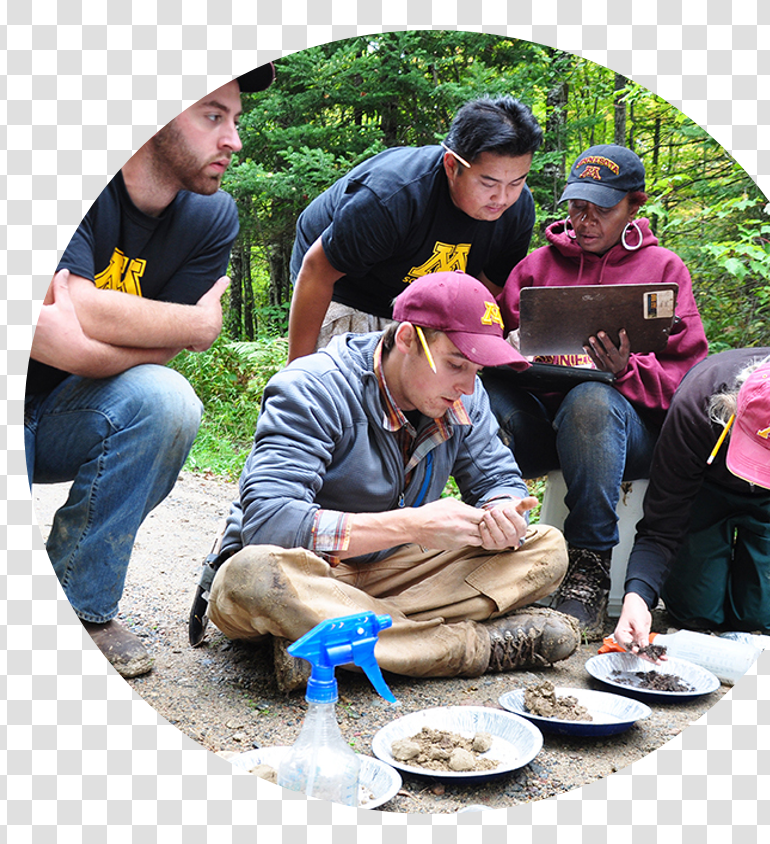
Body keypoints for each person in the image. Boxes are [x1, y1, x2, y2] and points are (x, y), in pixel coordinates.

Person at [188, 272, 579, 690]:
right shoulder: (312, 387)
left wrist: (503, 511)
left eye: (477, 369)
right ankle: (472, 648)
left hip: (389, 572)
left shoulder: (465, 395)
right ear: (408, 338)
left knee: (546, 549)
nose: (467, 386)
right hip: (306, 568)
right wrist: (413, 525)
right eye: (456, 364)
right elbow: (270, 524)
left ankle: (327, 637)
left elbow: (499, 478)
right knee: (251, 577)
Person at [25, 63, 277, 678]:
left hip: (65, 413)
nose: (234, 140)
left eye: (235, 119)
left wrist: (78, 345)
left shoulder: (211, 217)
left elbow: (133, 340)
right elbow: (99, 309)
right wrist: (188, 325)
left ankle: (80, 607)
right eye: (212, 116)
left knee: (167, 399)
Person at [483, 144, 708, 634]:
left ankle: (589, 564)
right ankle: (496, 535)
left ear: (634, 205)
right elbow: (489, 345)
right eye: (576, 207)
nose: (584, 221)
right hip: (546, 422)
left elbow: (687, 382)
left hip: (630, 435)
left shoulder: (664, 271)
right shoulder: (536, 268)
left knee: (591, 399)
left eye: (600, 210)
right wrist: (509, 349)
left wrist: (626, 371)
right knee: (479, 396)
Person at [285, 95, 543, 363]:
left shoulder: (518, 209)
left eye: (516, 182)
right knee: (342, 387)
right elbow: (316, 272)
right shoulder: (390, 198)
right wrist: (295, 371)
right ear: (451, 165)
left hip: (420, 296)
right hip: (343, 282)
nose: (502, 198)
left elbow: (483, 290)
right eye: (488, 184)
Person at [613, 349, 770, 651]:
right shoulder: (697, 404)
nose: (754, 476)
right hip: (709, 485)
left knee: (763, 619)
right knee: (695, 612)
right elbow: (661, 525)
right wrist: (637, 597)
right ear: (731, 409)